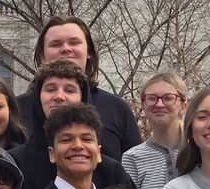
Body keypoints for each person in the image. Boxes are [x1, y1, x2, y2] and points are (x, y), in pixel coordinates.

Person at [16, 16, 141, 160]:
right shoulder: (17, 109)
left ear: (89, 52)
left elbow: (134, 168)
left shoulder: (116, 108)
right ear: (41, 55)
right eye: (56, 44)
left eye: (74, 42)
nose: (66, 49)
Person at [10, 59, 135, 189]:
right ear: (38, 98)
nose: (59, 97)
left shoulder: (111, 171)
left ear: (83, 97)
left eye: (69, 90)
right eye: (50, 89)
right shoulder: (14, 164)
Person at [121, 70, 187, 189]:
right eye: (151, 98)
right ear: (143, 104)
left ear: (182, 105)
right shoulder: (132, 158)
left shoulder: (200, 151)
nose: (159, 104)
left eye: (168, 98)